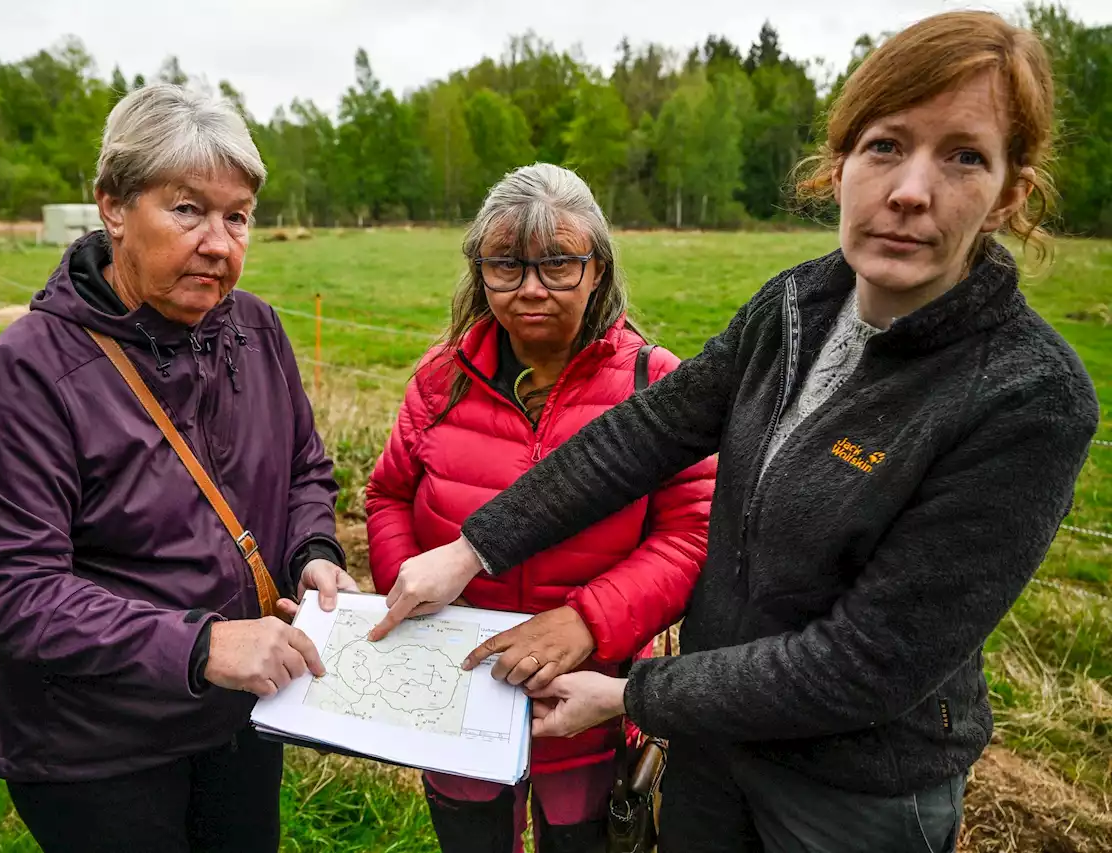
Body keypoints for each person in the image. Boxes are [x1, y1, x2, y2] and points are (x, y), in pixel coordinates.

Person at [370, 13, 1100, 853]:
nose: (910, 190)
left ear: (1012, 192)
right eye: (886, 146)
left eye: (965, 156)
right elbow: (643, 436)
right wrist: (473, 551)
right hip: (712, 753)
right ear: (840, 165)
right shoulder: (794, 307)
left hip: (849, 790)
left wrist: (629, 694)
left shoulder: (1027, 397)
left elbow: (865, 661)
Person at [0, 83, 358, 853]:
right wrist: (202, 645)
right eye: (187, 209)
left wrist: (315, 553)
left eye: (237, 216)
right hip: (97, 749)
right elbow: (12, 586)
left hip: (240, 718)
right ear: (112, 206)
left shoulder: (256, 329)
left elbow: (304, 463)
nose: (218, 242)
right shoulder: (28, 373)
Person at [365, 163, 716, 853]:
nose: (531, 287)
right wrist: (410, 594)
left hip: (587, 703)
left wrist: (589, 621)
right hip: (459, 698)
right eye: (507, 264)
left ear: (597, 268)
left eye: (558, 262)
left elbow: (690, 531)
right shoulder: (441, 380)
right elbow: (389, 495)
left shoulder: (654, 384)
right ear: (479, 269)